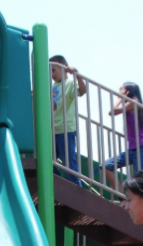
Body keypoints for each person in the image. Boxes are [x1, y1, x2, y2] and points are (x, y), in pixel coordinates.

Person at [95, 83, 143, 189]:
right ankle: (121, 197)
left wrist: (119, 98)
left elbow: (113, 112)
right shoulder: (129, 104)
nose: (119, 89)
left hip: (142, 147)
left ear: (128, 91)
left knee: (140, 181)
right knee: (106, 165)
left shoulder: (134, 102)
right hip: (133, 149)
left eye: (121, 88)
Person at [49, 55, 87, 185]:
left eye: (54, 70)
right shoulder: (52, 86)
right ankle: (58, 184)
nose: (51, 74)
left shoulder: (70, 83)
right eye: (50, 71)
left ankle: (76, 188)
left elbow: (83, 90)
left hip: (66, 129)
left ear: (64, 68)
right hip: (53, 129)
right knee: (49, 160)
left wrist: (78, 75)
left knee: (68, 162)